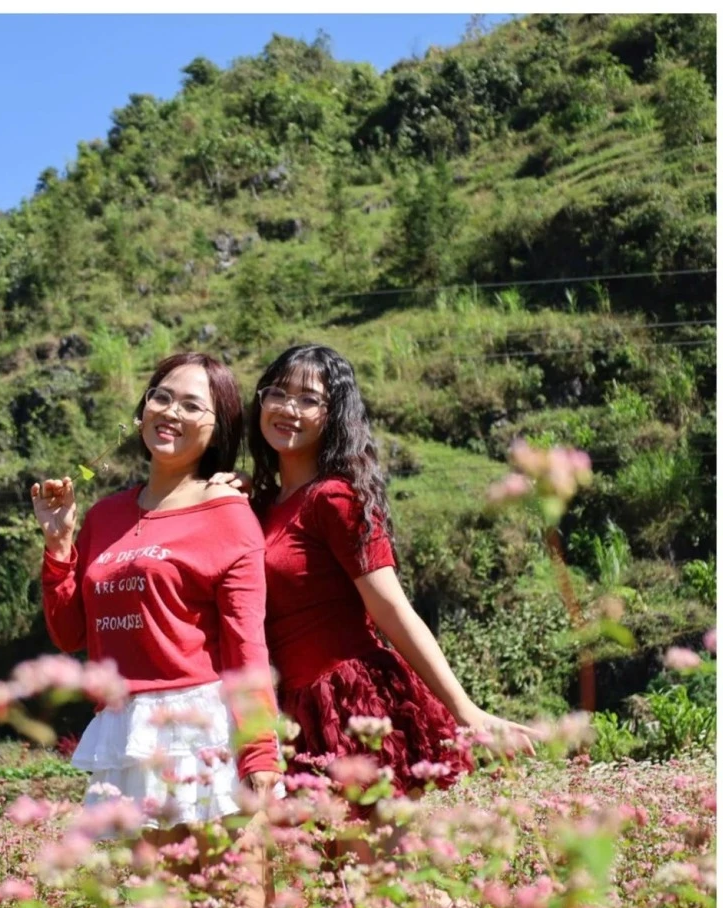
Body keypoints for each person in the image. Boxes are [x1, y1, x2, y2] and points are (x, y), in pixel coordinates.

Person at [243, 344, 533, 787]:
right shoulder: (260, 506)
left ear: (333, 414)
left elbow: (391, 609)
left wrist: (466, 711)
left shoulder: (335, 498)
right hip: (290, 710)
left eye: (308, 399)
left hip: (349, 701)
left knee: (366, 835)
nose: (288, 408)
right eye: (278, 393)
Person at [32, 351, 282, 830]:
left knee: (230, 878)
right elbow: (70, 635)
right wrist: (59, 544)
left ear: (218, 430)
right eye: (161, 397)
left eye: (191, 405)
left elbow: (246, 643)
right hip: (127, 731)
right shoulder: (104, 516)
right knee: (153, 882)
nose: (170, 412)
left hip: (203, 729)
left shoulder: (228, 514)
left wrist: (259, 749)